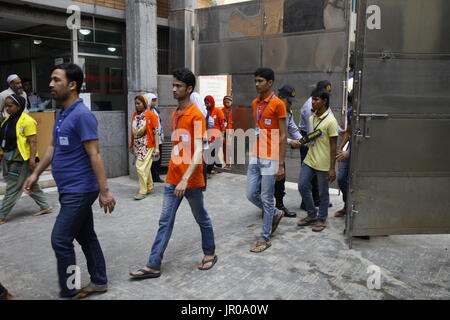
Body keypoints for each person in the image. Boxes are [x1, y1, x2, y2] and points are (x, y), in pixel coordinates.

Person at [23, 63, 116, 299]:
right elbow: (53, 147)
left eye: (57, 80)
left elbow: (94, 154)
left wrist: (105, 191)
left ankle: (69, 290)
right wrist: (35, 174)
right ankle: (99, 282)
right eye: (52, 80)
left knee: (60, 240)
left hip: (80, 190)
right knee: (86, 236)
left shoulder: (83, 116)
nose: (51, 85)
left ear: (72, 85)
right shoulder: (63, 113)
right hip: (69, 189)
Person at [130, 68, 217, 279]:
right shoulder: (176, 113)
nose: (174, 89)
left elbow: (198, 151)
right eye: (173, 85)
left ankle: (210, 253)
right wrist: (175, 175)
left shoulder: (196, 115)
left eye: (178, 86)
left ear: (189, 88)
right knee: (165, 221)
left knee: (201, 217)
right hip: (173, 178)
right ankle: (153, 265)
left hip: (191, 180)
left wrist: (185, 180)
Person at [246, 67, 287, 253]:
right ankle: (276, 214)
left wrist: (280, 164)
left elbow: (283, 135)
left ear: (270, 83)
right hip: (256, 154)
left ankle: (265, 237)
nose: (256, 84)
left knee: (266, 197)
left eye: (260, 81)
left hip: (271, 156)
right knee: (250, 194)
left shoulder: (278, 104)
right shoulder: (255, 103)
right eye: (255, 81)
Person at [0, 94, 53, 225]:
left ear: (18, 106)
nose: (7, 108)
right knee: (31, 183)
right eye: (6, 106)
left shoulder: (27, 121)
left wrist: (32, 160)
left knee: (12, 187)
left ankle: (2, 215)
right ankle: (45, 206)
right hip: (10, 157)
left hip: (20, 160)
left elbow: (33, 142)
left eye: (10, 106)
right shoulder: (8, 120)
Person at [297, 88, 338, 232]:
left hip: (324, 163)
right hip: (310, 159)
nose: (312, 102)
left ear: (324, 101)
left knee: (323, 193)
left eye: (316, 99)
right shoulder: (311, 118)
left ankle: (321, 219)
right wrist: (301, 142)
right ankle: (312, 214)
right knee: (302, 186)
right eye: (312, 99)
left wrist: (332, 168)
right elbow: (312, 136)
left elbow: (334, 146)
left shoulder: (331, 121)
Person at [298, 80, 333, 210]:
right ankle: (307, 203)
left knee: (318, 173)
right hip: (309, 139)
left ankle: (317, 201)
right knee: (309, 175)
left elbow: (329, 120)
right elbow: (313, 131)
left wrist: (339, 130)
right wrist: (302, 142)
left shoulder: (323, 105)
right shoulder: (310, 108)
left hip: (315, 138)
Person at [274, 85, 303, 218]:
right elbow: (275, 136)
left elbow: (293, 129)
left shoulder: (288, 112)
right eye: (289, 101)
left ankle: (279, 206)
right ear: (281, 98)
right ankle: (268, 208)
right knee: (267, 182)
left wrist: (303, 141)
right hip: (268, 151)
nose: (291, 103)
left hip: (280, 152)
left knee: (281, 179)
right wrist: (291, 142)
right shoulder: (273, 110)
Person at [130, 95, 160, 200]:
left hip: (148, 145)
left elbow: (156, 132)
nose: (137, 105)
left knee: (140, 167)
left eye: (139, 103)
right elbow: (133, 132)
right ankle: (150, 186)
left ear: (145, 103)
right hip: (138, 146)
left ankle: (143, 191)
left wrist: (157, 148)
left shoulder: (151, 115)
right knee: (145, 167)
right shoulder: (135, 115)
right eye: (136, 104)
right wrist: (131, 145)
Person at [335, 91, 353, 217]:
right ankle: (347, 205)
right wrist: (341, 148)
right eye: (351, 104)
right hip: (350, 148)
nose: (352, 107)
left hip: (362, 151)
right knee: (341, 178)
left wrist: (348, 153)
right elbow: (348, 131)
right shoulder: (351, 112)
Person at [144, 93, 164, 183]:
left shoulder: (155, 110)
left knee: (158, 159)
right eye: (153, 100)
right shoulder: (146, 112)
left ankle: (156, 176)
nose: (155, 102)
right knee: (151, 160)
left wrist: (161, 135)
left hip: (158, 138)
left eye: (155, 100)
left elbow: (159, 124)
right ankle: (153, 177)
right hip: (151, 139)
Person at [204, 95, 225, 177]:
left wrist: (222, 136)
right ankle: (219, 166)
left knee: (212, 153)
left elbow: (222, 124)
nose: (206, 105)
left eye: (208, 103)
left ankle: (208, 172)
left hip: (217, 136)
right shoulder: (205, 111)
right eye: (205, 103)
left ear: (212, 102)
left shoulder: (218, 111)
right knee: (213, 153)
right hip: (209, 136)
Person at [222, 95, 233, 169]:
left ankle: (229, 163)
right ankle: (226, 162)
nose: (226, 103)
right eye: (225, 102)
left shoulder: (234, 110)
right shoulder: (221, 110)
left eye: (228, 102)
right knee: (224, 147)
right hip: (223, 130)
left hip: (231, 130)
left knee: (229, 147)